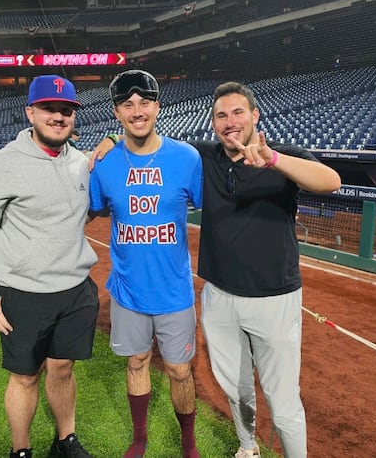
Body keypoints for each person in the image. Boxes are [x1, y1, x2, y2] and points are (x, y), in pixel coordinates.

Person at [92, 81, 342, 458]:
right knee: (235, 387)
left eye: (238, 112)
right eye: (221, 115)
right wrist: (113, 137)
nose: (230, 122)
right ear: (213, 123)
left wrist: (272, 159)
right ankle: (247, 447)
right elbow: (147, 136)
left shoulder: (284, 156)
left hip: (274, 296)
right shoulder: (203, 157)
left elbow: (331, 182)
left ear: (255, 115)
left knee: (282, 397)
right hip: (220, 295)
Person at [0, 75, 98, 458]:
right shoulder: (3, 163)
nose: (58, 116)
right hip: (22, 292)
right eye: (49, 109)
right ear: (31, 113)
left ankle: (65, 440)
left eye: (66, 110)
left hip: (75, 289)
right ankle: (21, 450)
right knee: (24, 377)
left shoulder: (81, 163)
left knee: (63, 369)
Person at [89, 70, 203, 458]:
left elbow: (218, 209)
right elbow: (86, 212)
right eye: (127, 105)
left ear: (157, 106)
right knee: (136, 363)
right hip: (128, 291)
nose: (137, 111)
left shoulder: (187, 158)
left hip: (174, 292)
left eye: (144, 103)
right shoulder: (104, 164)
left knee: (180, 371)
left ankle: (188, 443)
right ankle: (140, 438)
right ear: (117, 113)